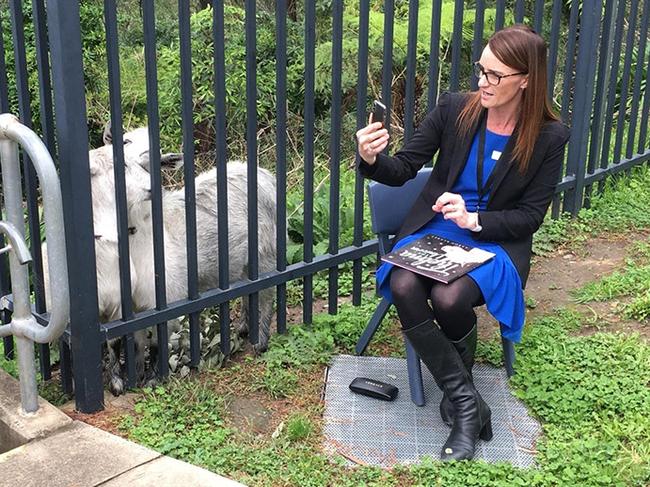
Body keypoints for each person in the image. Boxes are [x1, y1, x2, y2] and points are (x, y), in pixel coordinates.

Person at [355, 24, 570, 461]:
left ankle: (460, 401)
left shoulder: (549, 137)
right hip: (436, 229)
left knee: (450, 298)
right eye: (481, 70)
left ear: (526, 79)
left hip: (493, 240)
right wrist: (371, 157)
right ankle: (468, 403)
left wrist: (474, 219)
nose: (482, 82)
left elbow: (529, 218)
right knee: (403, 284)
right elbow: (403, 168)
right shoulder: (454, 109)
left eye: (495, 75)